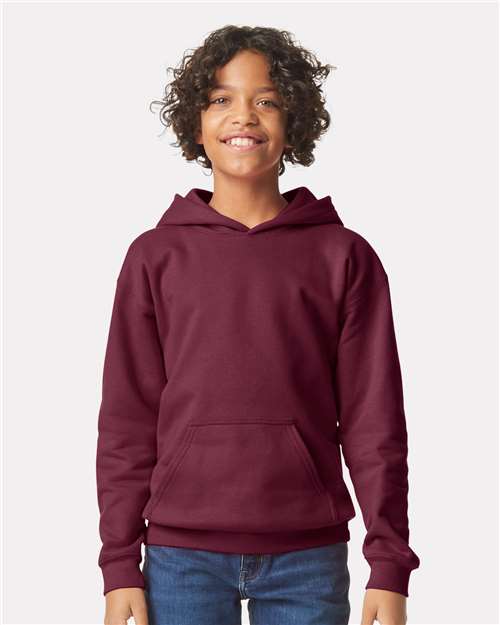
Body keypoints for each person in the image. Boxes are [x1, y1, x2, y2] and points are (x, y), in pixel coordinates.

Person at [96, 24, 420, 625]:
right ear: (196, 124)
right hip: (179, 557)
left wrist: (389, 563)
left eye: (267, 100)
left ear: (294, 122)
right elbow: (126, 421)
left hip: (308, 558)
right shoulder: (154, 257)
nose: (243, 115)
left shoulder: (343, 256)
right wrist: (119, 564)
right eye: (221, 98)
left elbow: (375, 420)